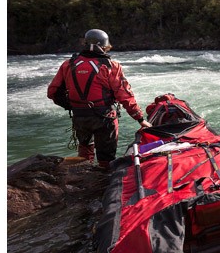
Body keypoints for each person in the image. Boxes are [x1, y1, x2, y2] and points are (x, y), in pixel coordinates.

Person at [47, 29, 150, 167]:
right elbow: (125, 95)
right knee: (106, 158)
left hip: (80, 116)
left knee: (84, 152)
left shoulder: (68, 64)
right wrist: (140, 119)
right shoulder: (111, 66)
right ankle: (104, 182)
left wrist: (71, 105)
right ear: (104, 46)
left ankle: (84, 177)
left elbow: (53, 92)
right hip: (105, 117)